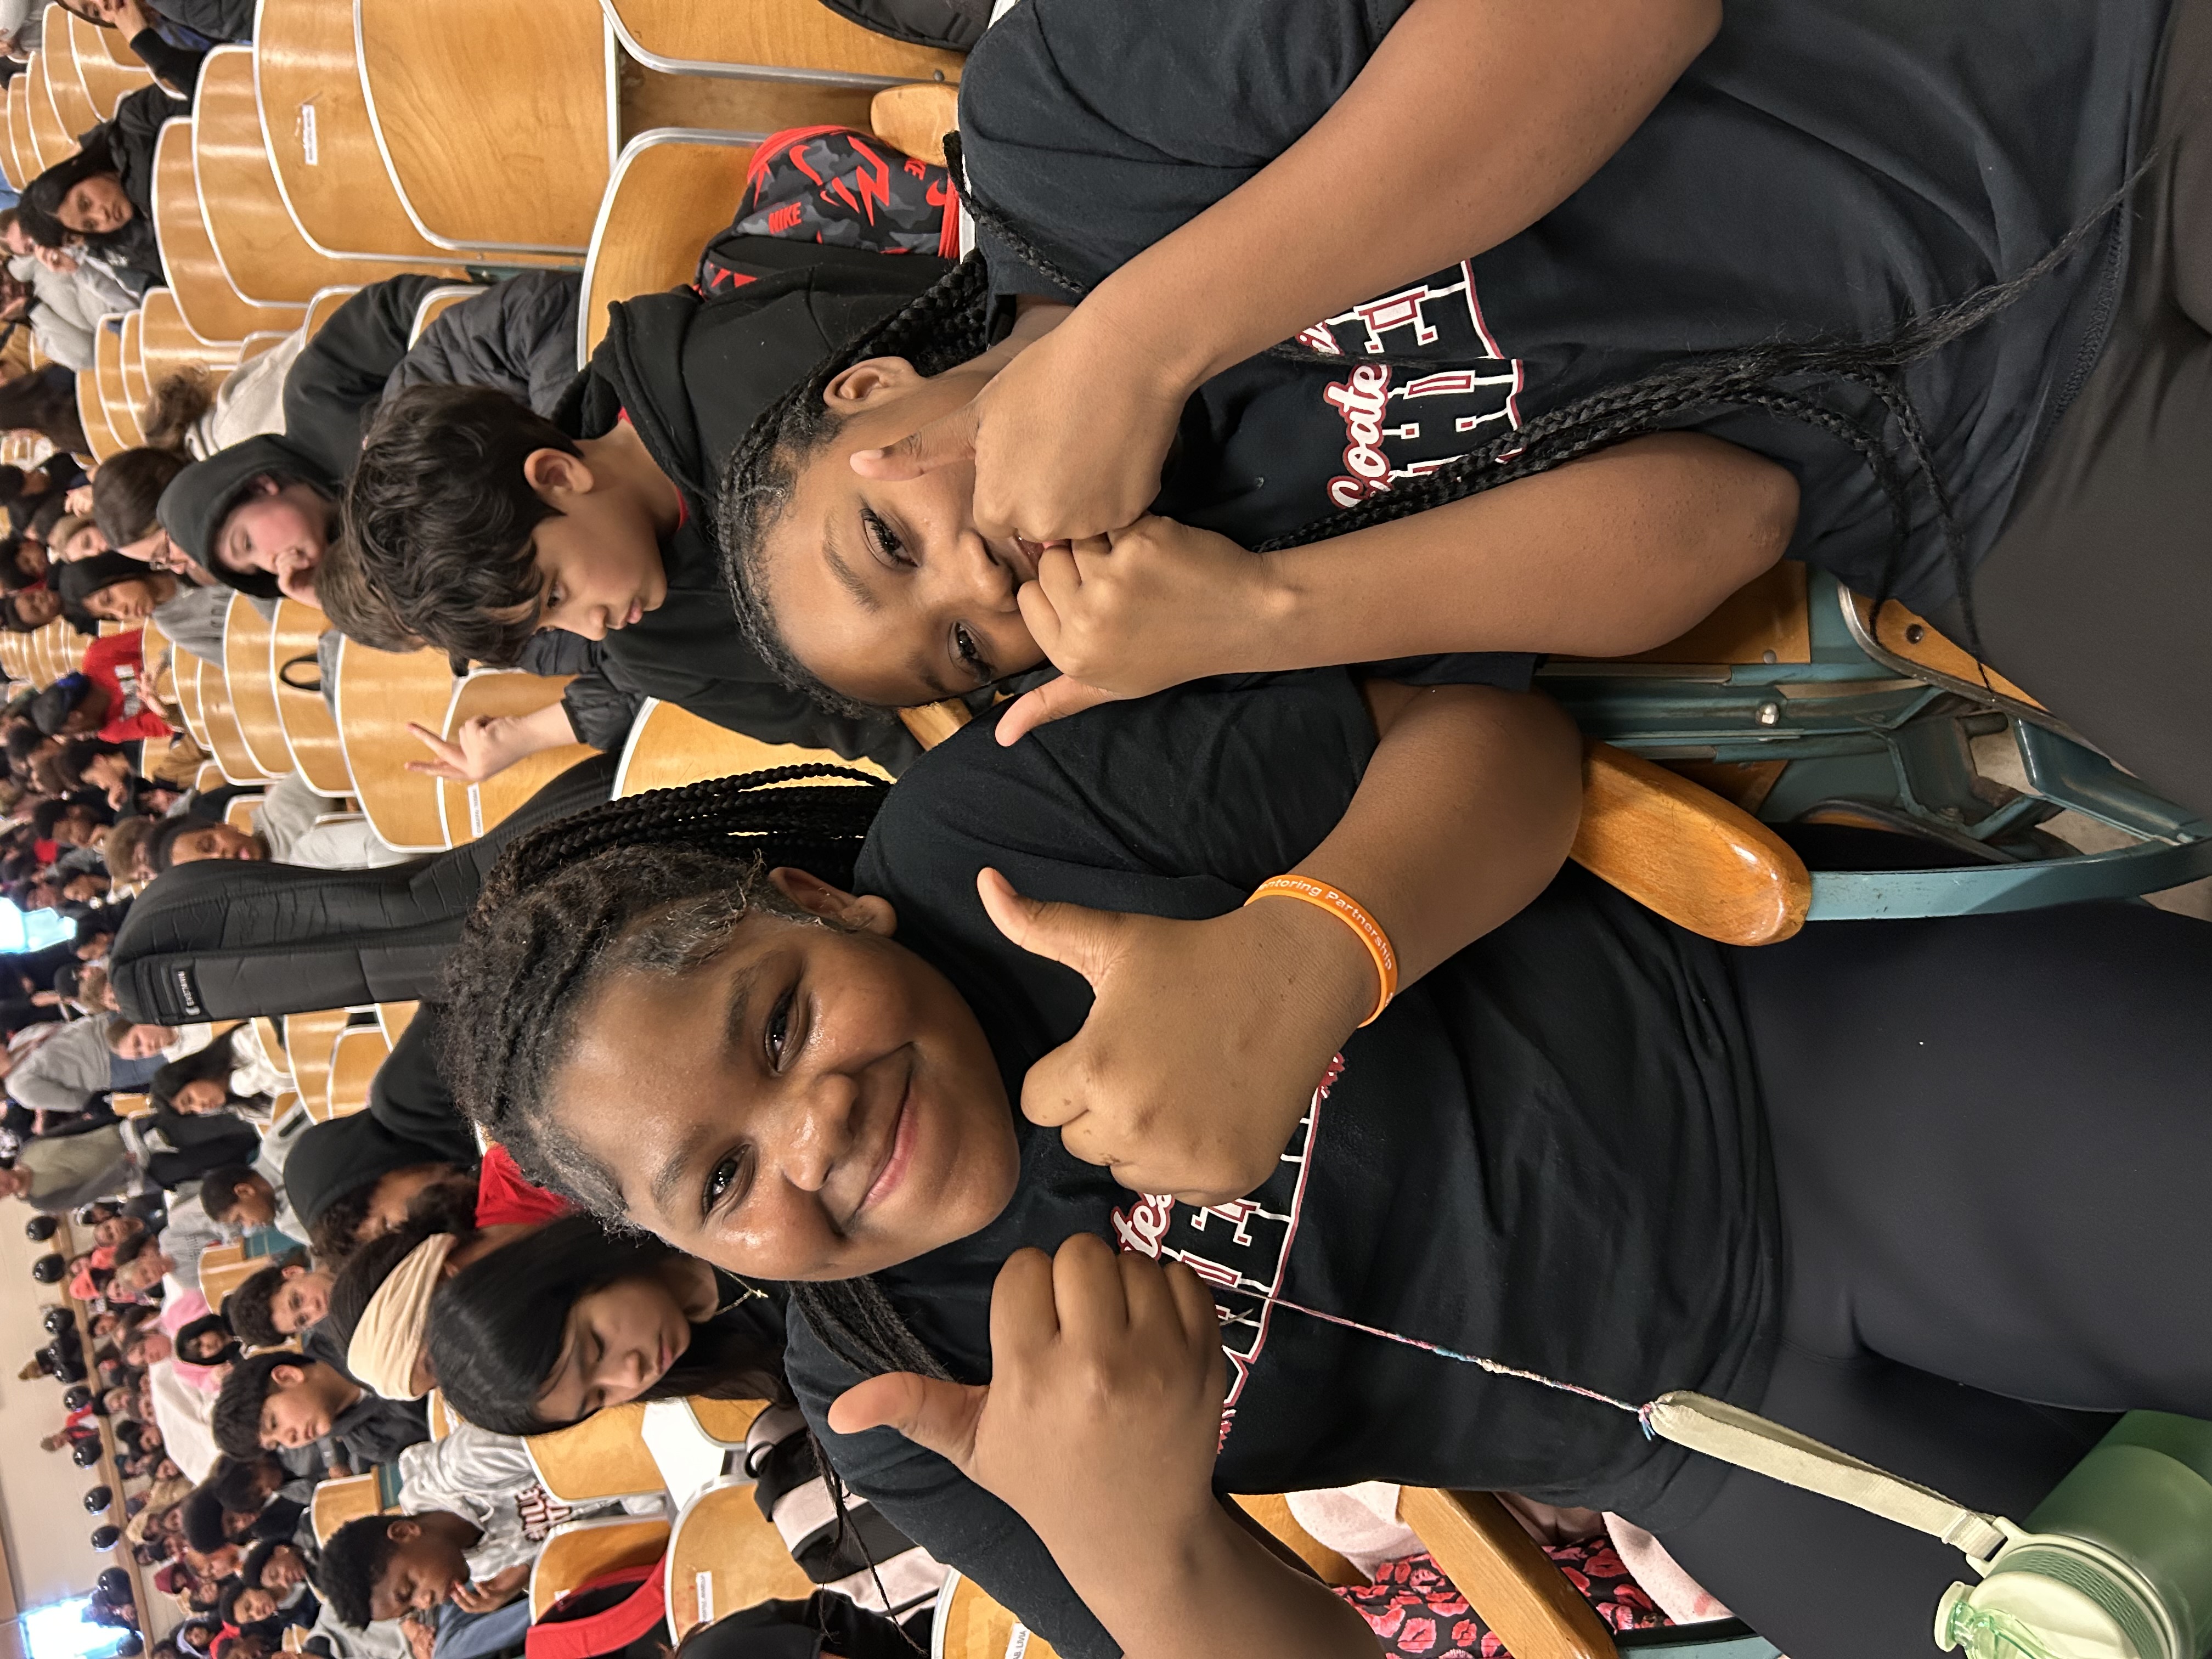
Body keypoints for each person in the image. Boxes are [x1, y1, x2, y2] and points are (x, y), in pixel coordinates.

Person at [439, 673, 2212, 1659]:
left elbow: (1493, 738)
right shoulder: (906, 1405)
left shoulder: (995, 831)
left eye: (776, 1024)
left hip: (1795, 1076)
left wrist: (1311, 957)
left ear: (821, 903)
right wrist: (1141, 1555)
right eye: (722, 1181)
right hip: (1715, 1452)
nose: (810, 1129)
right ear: (696, 1253)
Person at [715, 0, 2212, 826]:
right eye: (969, 649)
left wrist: (1138, 344)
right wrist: (1269, 613)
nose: (981, 584)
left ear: (871, 394)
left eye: (891, 541)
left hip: (2064, 77)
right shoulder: (1205, 598)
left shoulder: (1064, 122)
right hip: (1994, 482)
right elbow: (1731, 517)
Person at [329, 249, 959, 786]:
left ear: (557, 475)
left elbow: (988, 338)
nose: (593, 630)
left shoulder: (756, 359)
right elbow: (853, 726)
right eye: (553, 622)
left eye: (556, 592)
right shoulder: (651, 652)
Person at [421, 1215, 785, 1431]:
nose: (632, 1376)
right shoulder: (721, 1368)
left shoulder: (697, 1203)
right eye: (599, 1397)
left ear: (569, 1273)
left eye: (596, 1348)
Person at [211, 1350, 428, 1465]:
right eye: (277, 1444)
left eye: (274, 1422)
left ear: (288, 1376)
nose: (291, 1440)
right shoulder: (372, 1442)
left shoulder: (350, 1327)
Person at [143, 785, 407, 873]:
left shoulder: (283, 804)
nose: (221, 857)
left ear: (223, 826)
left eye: (209, 845)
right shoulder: (284, 901)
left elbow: (342, 761)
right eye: (209, 868)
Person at [224, 1252, 332, 1350]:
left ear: (293, 1273)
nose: (313, 1307)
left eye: (298, 1300)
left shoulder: (338, 1238)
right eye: (303, 1319)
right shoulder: (345, 1332)